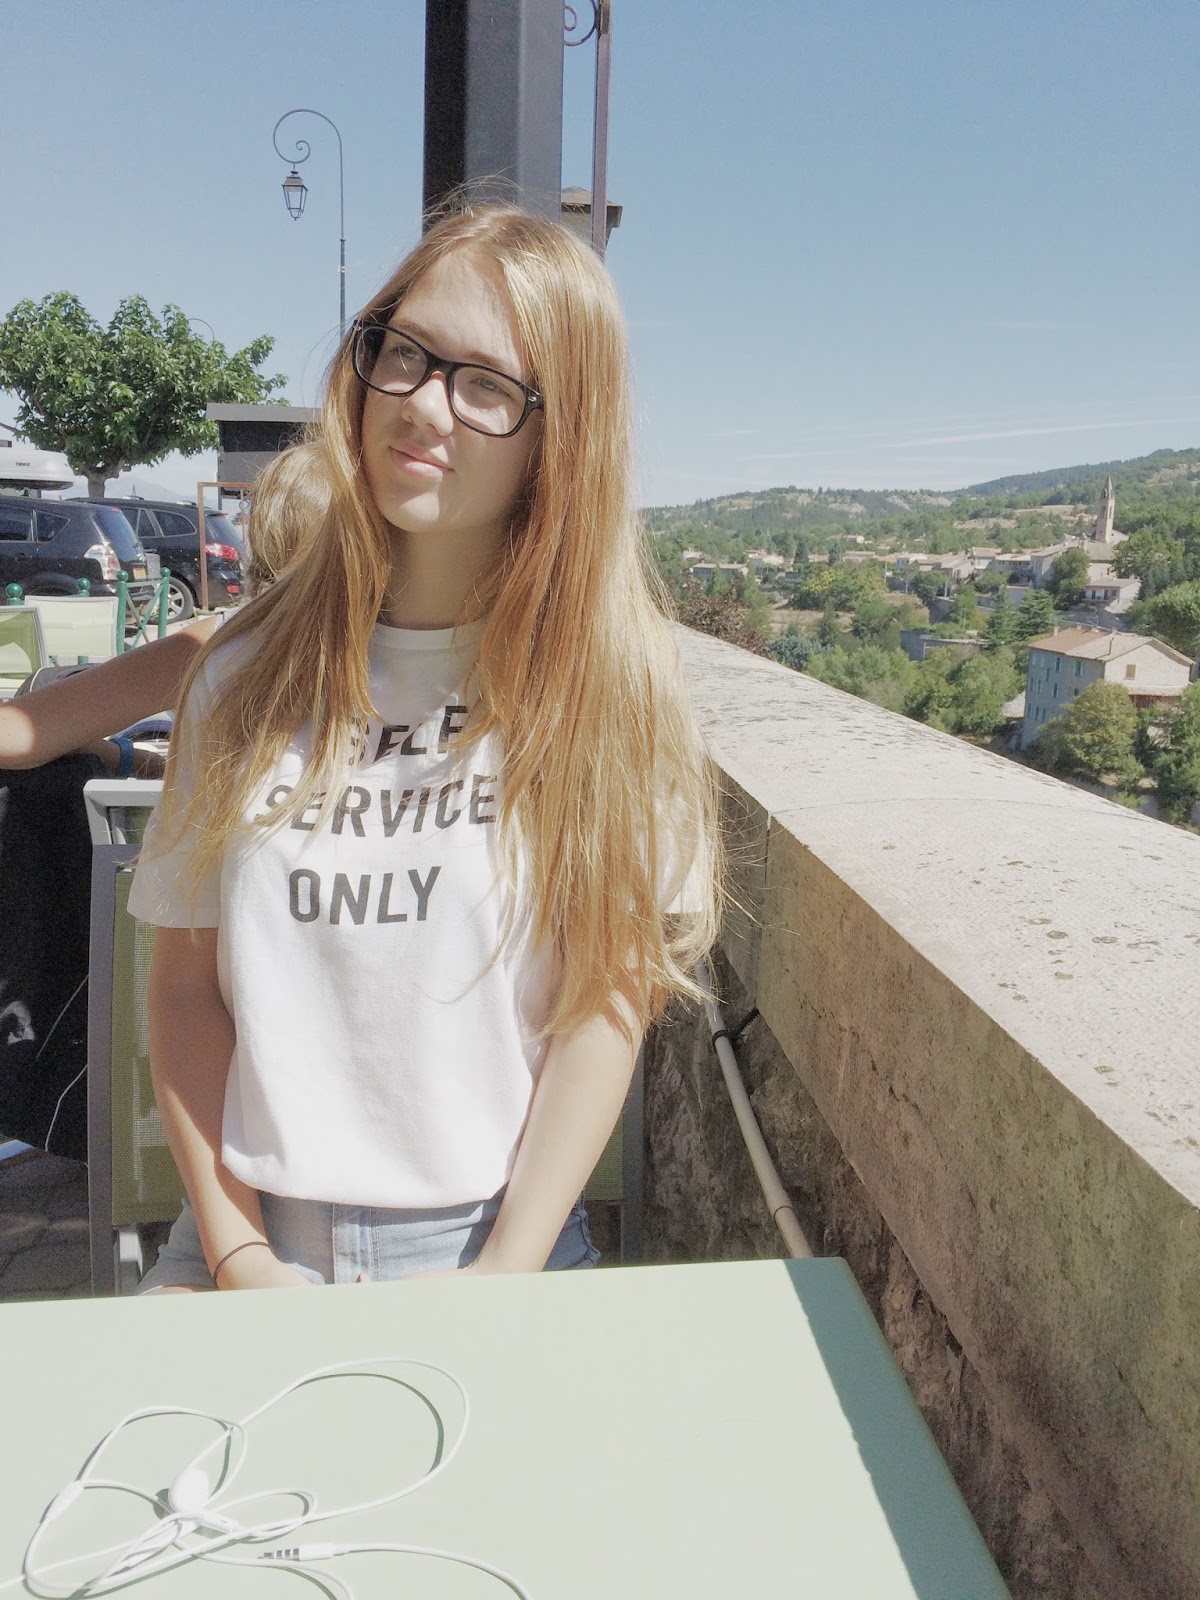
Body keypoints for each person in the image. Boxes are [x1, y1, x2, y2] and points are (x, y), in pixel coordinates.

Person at [129, 201, 723, 1293]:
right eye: (405, 352)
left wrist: (502, 1273)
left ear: (560, 435)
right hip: (244, 1235)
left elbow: (606, 998)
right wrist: (240, 1254)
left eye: (487, 384)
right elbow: (183, 986)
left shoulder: (607, 692)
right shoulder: (243, 673)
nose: (422, 402)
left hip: (496, 1246)